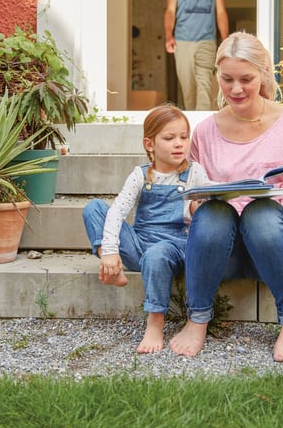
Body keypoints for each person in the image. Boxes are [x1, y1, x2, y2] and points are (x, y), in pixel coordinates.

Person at [169, 32, 283, 362]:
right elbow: (192, 210)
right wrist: (198, 200)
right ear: (217, 77)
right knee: (213, 213)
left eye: (246, 79)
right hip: (222, 252)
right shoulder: (207, 131)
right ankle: (197, 319)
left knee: (261, 212)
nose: (236, 89)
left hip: (274, 245)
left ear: (264, 74)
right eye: (227, 80)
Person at [82, 104, 211, 354]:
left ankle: (155, 322)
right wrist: (109, 250)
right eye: (169, 138)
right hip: (140, 245)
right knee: (95, 208)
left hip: (175, 247)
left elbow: (206, 206)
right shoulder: (141, 175)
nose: (179, 144)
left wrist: (197, 207)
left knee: (157, 254)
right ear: (150, 144)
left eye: (184, 137)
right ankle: (111, 266)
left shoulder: (195, 173)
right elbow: (117, 211)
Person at [164, 0, 229, 111]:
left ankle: (204, 132)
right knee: (188, 91)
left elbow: (221, 11)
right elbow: (170, 10)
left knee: (204, 86)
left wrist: (225, 40)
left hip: (206, 40)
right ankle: (193, 132)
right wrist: (169, 35)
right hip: (182, 40)